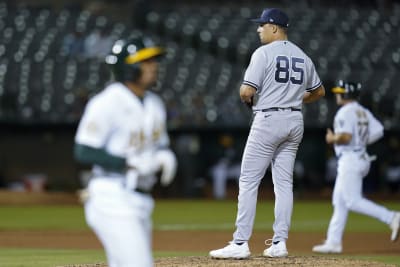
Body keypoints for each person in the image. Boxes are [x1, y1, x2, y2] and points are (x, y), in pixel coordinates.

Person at [209, 8, 325, 259]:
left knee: (249, 180)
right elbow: (319, 92)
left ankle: (240, 243)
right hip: (295, 119)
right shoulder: (303, 56)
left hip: (269, 118)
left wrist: (255, 98)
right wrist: (295, 98)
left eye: (262, 25)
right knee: (284, 184)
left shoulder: (263, 53)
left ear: (274, 27)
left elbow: (245, 91)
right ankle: (279, 243)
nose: (258, 29)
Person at [74, 36, 177, 267]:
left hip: (141, 199)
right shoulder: (107, 102)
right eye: (145, 62)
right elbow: (83, 151)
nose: (153, 67)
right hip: (112, 195)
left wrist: (163, 154)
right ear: (128, 67)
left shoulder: (154, 104)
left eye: (153, 61)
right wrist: (128, 163)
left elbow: (158, 145)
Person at [312, 80, 400, 254]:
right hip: (360, 156)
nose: (337, 94)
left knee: (352, 201)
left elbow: (345, 137)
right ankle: (333, 242)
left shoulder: (344, 112)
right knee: (339, 200)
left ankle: (392, 217)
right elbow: (378, 131)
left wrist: (332, 139)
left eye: (339, 92)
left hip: (350, 159)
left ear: (345, 94)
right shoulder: (362, 111)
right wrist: (360, 143)